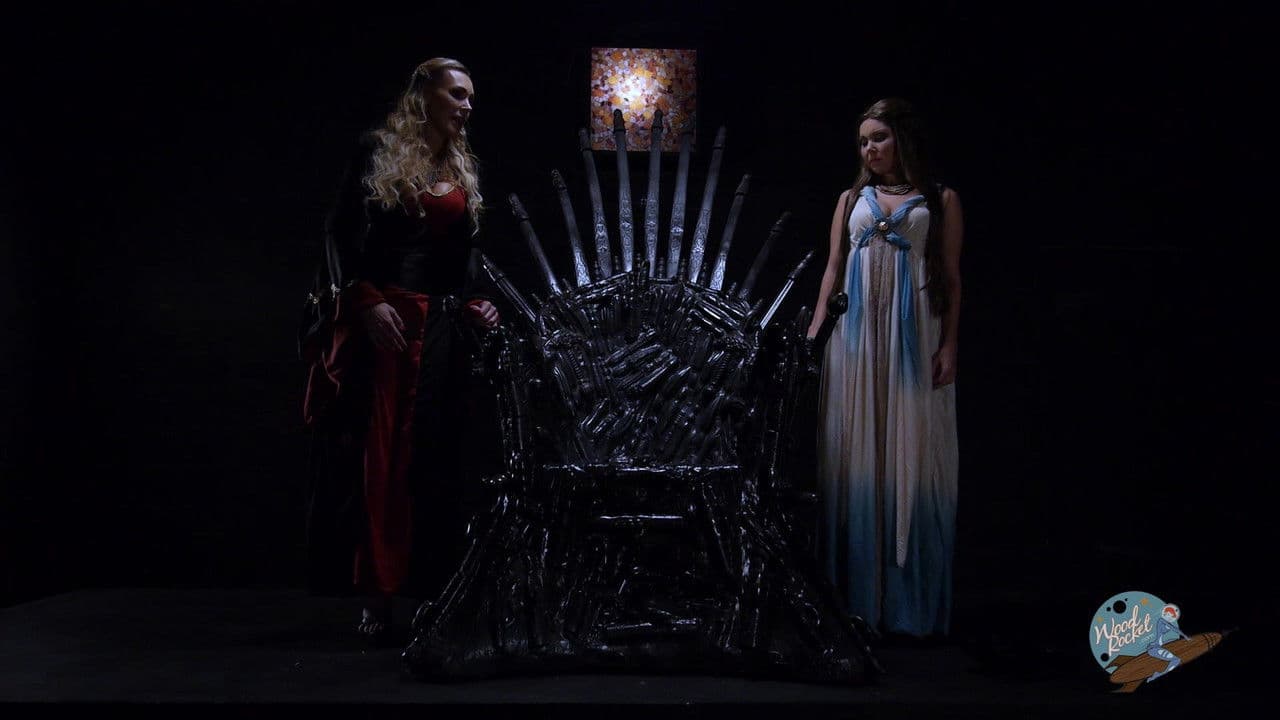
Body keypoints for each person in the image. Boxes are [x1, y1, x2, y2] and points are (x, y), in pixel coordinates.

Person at [299, 57, 500, 644]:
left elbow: (465, 254)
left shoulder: (460, 164)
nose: (467, 106)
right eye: (457, 94)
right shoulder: (377, 152)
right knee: (379, 462)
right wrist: (364, 299)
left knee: (434, 459)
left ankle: (432, 593)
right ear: (424, 96)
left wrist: (477, 301)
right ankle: (376, 597)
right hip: (384, 326)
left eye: (470, 96)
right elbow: (339, 232)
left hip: (441, 329)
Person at [807, 97, 963, 639]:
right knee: (856, 450)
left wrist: (950, 345)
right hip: (855, 340)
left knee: (911, 450)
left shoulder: (941, 199)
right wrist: (814, 337)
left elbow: (951, 277)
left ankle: (905, 602)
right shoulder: (850, 199)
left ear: (902, 138)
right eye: (862, 141)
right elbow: (832, 270)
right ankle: (854, 599)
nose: (869, 149)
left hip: (912, 339)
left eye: (879, 137)